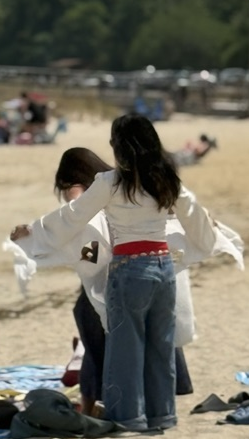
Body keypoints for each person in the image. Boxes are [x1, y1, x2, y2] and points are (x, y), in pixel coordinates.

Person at [10, 114, 218, 432]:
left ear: (120, 146)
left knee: (125, 348)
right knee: (161, 345)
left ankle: (128, 418)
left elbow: (72, 217)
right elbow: (195, 217)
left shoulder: (111, 183)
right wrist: (209, 237)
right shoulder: (167, 180)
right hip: (164, 269)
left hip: (129, 270)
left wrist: (33, 232)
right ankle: (163, 416)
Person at [37, 147, 193, 415]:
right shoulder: (125, 186)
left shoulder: (82, 190)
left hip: (117, 271)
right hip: (154, 266)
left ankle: (93, 402)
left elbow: (79, 225)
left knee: (92, 324)